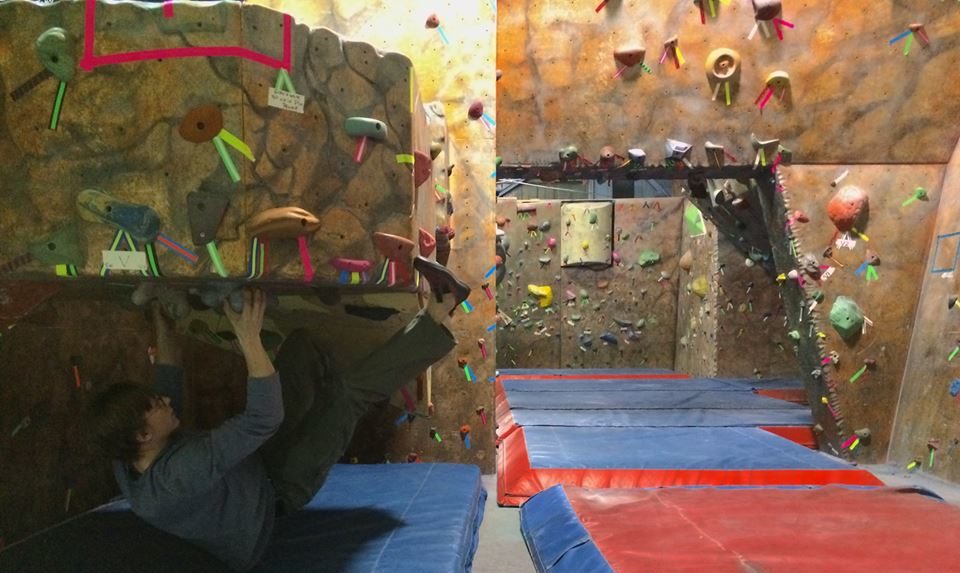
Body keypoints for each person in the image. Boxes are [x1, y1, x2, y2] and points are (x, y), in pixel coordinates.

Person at [86, 258, 469, 572]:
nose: (165, 403)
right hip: (278, 490)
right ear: (142, 435)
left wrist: (162, 317)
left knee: (300, 348)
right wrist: (248, 337)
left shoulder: (132, 454)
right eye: (156, 407)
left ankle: (346, 397)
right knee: (347, 396)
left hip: (255, 464)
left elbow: (167, 380)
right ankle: (441, 308)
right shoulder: (179, 475)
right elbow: (262, 420)